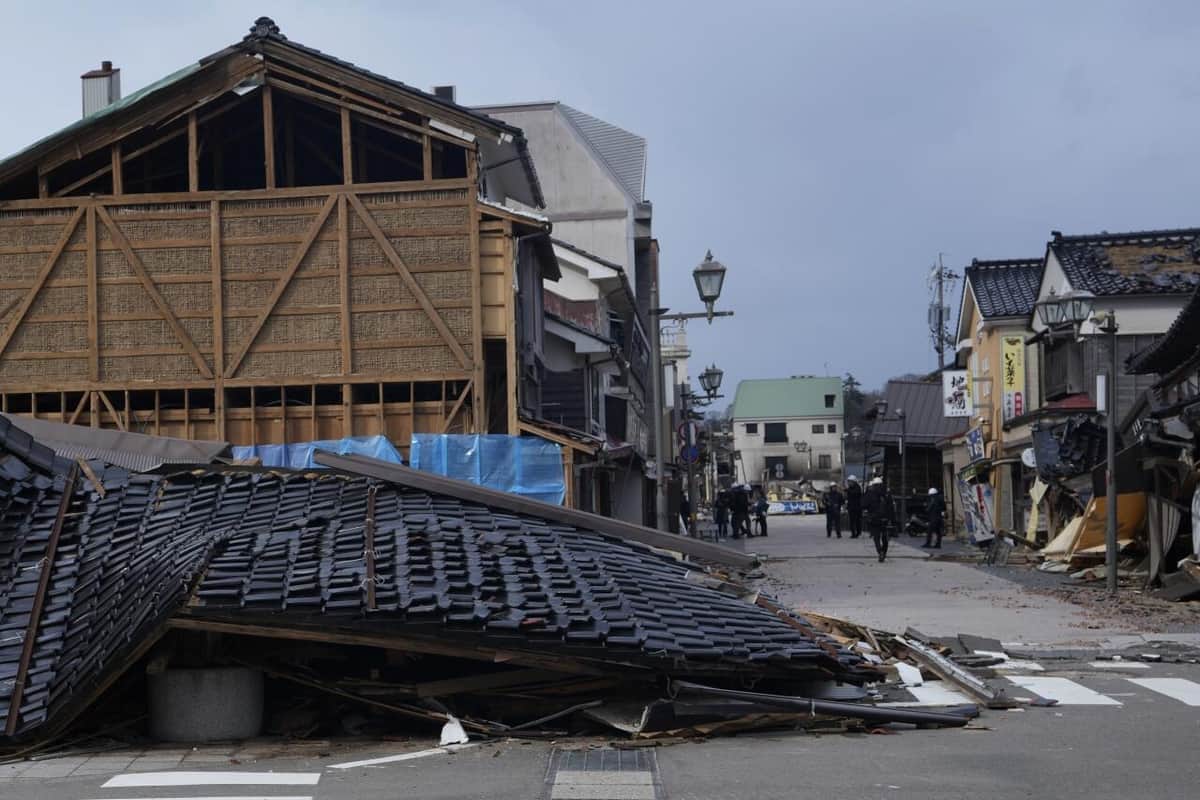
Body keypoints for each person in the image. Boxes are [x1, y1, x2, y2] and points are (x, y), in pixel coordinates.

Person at [863, 476, 895, 562]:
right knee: (884, 537)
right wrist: (891, 519)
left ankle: (880, 551)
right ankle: (883, 552)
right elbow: (891, 507)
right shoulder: (887, 494)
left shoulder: (870, 493)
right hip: (884, 519)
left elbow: (863, 505)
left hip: (874, 519)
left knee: (876, 538)